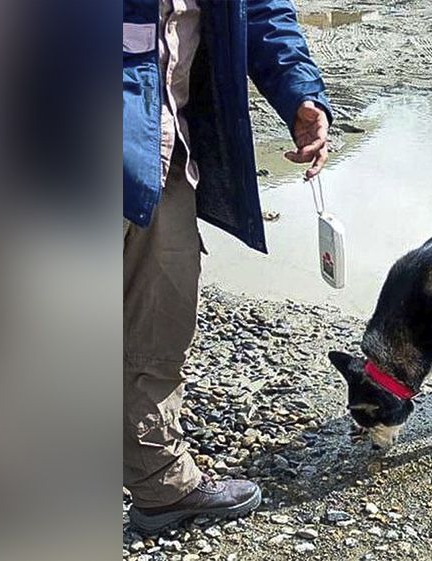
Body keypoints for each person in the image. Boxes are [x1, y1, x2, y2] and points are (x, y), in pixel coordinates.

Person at [123, 0, 331, 533]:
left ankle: (160, 485)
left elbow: (260, 11)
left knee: (160, 329)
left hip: (160, 156)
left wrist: (299, 95)